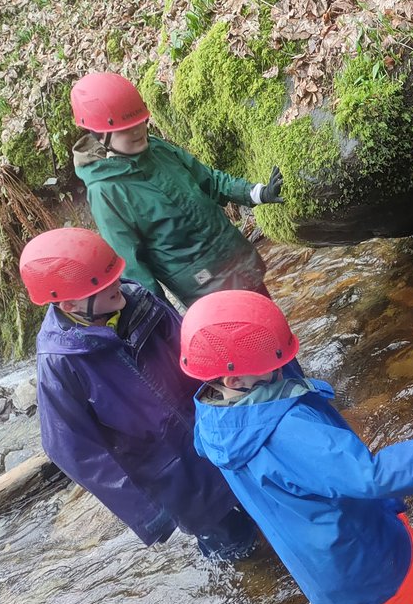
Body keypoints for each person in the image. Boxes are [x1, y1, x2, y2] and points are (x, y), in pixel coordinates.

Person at [182, 289, 413, 604]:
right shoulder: (286, 432)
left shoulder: (215, 417)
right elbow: (370, 475)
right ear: (234, 379)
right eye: (271, 368)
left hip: (335, 570)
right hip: (371, 570)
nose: (281, 371)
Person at [21, 227, 268, 559]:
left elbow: (193, 352)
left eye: (114, 273)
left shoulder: (139, 301)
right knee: (235, 549)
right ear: (69, 303)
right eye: (104, 284)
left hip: (217, 436)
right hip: (173, 477)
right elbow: (72, 449)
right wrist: (146, 512)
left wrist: (247, 398)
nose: (117, 283)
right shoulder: (60, 363)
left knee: (271, 517)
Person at [70, 71, 284, 306]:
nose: (137, 131)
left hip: (236, 257)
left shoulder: (157, 149)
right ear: (100, 136)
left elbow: (209, 180)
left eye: (139, 122)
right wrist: (162, 319)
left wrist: (257, 193)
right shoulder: (106, 191)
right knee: (246, 338)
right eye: (125, 129)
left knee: (274, 328)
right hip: (203, 288)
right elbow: (131, 266)